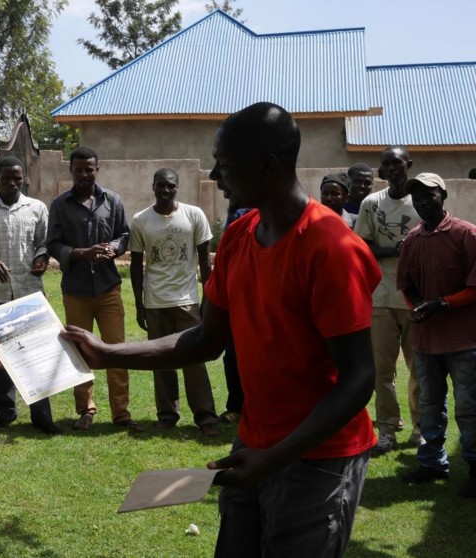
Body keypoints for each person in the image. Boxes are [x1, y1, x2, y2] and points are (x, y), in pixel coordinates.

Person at [63, 102, 380, 558]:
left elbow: (358, 379)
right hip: (254, 444)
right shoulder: (239, 235)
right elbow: (204, 340)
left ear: (267, 167)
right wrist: (106, 353)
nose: (213, 175)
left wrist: (276, 457)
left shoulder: (330, 248)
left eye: (225, 164)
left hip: (318, 460)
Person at [47, 146, 142, 432]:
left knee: (116, 349)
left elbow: (124, 235)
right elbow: (53, 244)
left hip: (109, 287)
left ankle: (121, 413)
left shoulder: (112, 200)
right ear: (71, 171)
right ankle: (85, 410)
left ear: (96, 169)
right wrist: (80, 253)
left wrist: (113, 248)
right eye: (79, 169)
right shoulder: (60, 205)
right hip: (76, 290)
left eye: (89, 169)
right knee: (80, 352)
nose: (84, 174)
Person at [396, 173, 476, 497]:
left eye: (429, 196)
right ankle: (431, 463)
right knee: (429, 405)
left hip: (464, 339)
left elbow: (475, 286)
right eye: (417, 198)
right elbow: (406, 285)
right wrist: (417, 306)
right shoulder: (413, 239)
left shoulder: (466, 234)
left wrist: (443, 305)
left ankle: (474, 466)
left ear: (443, 195)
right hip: (426, 340)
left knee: (469, 408)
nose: (423, 202)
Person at [0, 156, 61, 434]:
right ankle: (4, 412)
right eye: (6, 177)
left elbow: (43, 244)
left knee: (36, 352)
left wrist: (42, 259)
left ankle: (42, 416)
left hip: (29, 292)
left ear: (24, 180)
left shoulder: (37, 208)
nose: (11, 182)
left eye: (17, 178)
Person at [129, 167, 218, 436]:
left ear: (177, 187)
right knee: (161, 360)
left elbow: (205, 260)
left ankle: (205, 417)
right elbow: (136, 265)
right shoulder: (140, 220)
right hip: (155, 302)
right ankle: (167, 414)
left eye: (171, 186)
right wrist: (139, 303)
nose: (166, 190)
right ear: (153, 187)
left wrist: (208, 297)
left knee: (194, 359)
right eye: (161, 186)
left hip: (187, 301)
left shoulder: (194, 215)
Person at [354, 146, 422, 454]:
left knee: (419, 369)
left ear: (408, 164)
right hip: (380, 298)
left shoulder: (421, 200)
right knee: (383, 371)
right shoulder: (371, 203)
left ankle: (421, 428)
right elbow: (363, 246)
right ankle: (387, 429)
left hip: (415, 299)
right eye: (386, 164)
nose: (392, 168)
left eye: (397, 162)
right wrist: (395, 251)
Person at [218, 203, 251, 425]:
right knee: (233, 355)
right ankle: (236, 407)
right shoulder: (240, 214)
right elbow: (228, 250)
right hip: (239, 296)